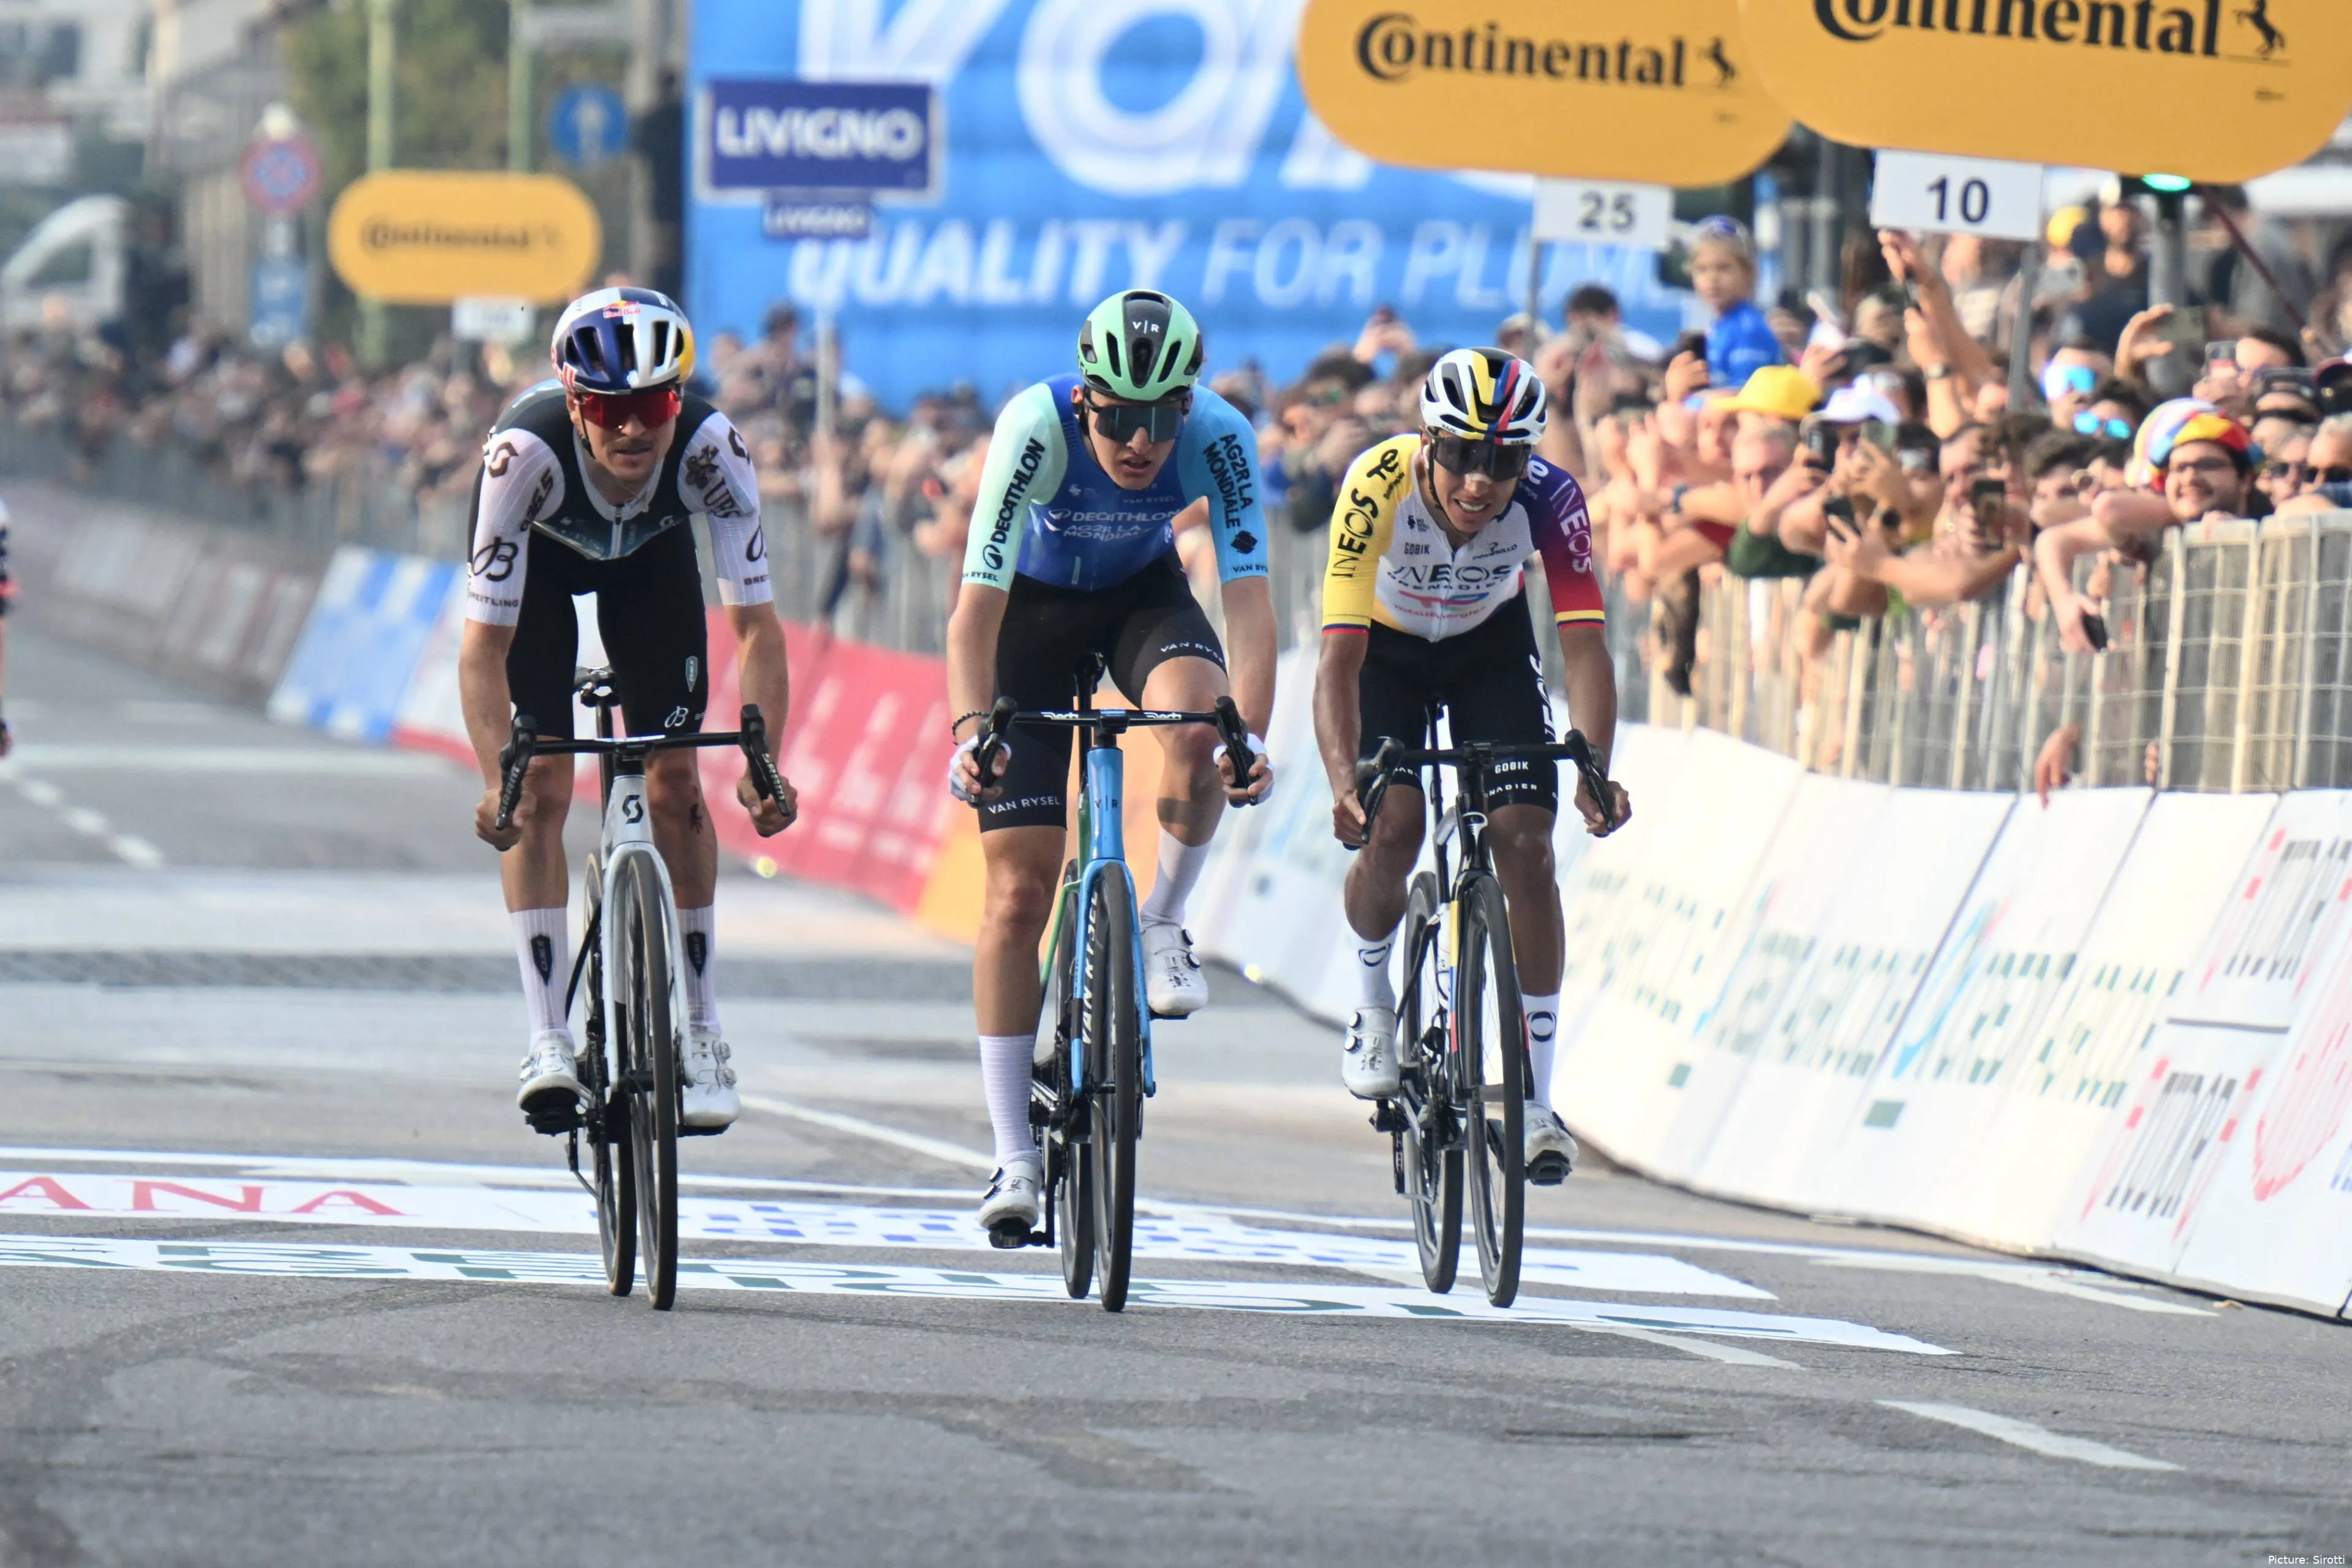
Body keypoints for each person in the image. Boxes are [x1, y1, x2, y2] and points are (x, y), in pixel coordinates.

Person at [946, 290, 1276, 1241]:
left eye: (1159, 417)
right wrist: (972, 733)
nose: (1140, 442)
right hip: (1029, 620)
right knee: (1016, 897)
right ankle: (1012, 1155)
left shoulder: (1219, 434)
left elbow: (1252, 610)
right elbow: (975, 614)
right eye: (1120, 417)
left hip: (1143, 597)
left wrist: (1247, 736)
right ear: (1086, 399)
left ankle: (1165, 922)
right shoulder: (1032, 428)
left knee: (1202, 734)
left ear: (1188, 404)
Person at [459, 287, 797, 1133]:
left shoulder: (712, 452)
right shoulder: (522, 457)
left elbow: (757, 631)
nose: (632, 430)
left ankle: (704, 1030)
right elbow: (482, 654)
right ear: (574, 402)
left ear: (676, 399)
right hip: (542, 565)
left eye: (651, 404)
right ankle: (547, 1039)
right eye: (609, 408)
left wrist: (766, 765)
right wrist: (496, 780)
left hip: (651, 565)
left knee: (679, 783)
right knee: (537, 788)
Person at [1312, 348, 1632, 1187]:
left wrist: (1593, 765)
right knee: (1396, 827)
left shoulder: (1554, 498)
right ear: (1428, 442)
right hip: (1386, 653)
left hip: (1488, 650)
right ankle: (1374, 1006)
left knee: (1529, 847)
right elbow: (1338, 662)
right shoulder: (1375, 484)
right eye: (1461, 453)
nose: (1480, 481)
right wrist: (1344, 778)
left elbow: (1585, 643)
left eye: (1503, 460)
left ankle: (1534, 1101)